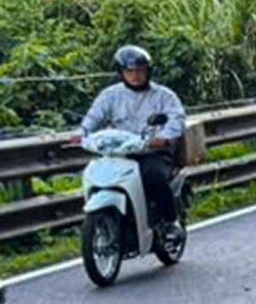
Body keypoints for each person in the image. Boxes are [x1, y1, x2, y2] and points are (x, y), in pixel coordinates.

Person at [76, 44, 186, 230]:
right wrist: (81, 133)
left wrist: (164, 137)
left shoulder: (164, 96)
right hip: (120, 152)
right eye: (130, 71)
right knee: (100, 173)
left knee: (153, 176)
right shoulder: (110, 95)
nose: (136, 75)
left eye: (141, 71)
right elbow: (94, 117)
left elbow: (177, 119)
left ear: (148, 71)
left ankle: (170, 221)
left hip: (152, 151)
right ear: (122, 73)